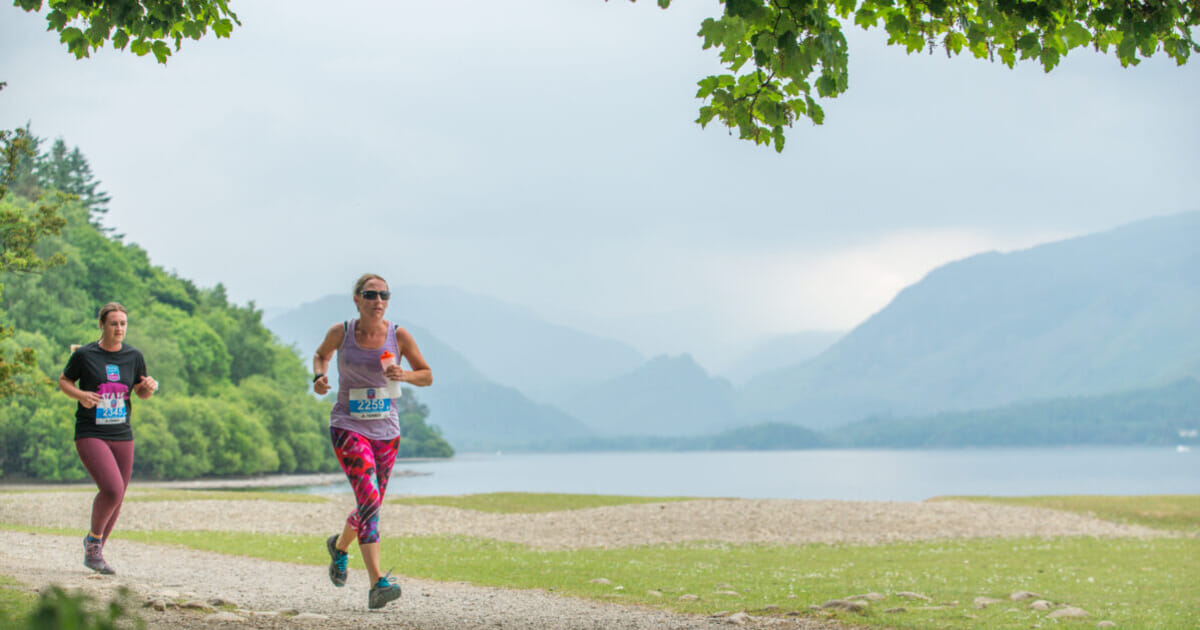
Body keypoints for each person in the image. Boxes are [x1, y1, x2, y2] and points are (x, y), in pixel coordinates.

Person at [313, 274, 432, 610]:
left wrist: (404, 375)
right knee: (369, 500)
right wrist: (319, 378)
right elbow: (321, 355)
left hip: (386, 432)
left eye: (384, 295)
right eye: (371, 294)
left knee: (371, 504)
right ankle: (378, 583)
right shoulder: (342, 332)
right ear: (356, 299)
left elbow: (426, 374)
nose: (378, 300)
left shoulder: (398, 335)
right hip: (348, 426)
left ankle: (339, 548)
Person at [58, 302, 157, 574]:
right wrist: (81, 395)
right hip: (91, 432)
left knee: (119, 495)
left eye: (123, 323)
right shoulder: (85, 355)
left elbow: (140, 392)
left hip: (122, 433)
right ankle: (93, 542)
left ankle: (96, 552)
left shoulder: (134, 356)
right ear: (102, 324)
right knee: (112, 489)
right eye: (114, 323)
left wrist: (148, 387)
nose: (119, 328)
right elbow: (64, 381)